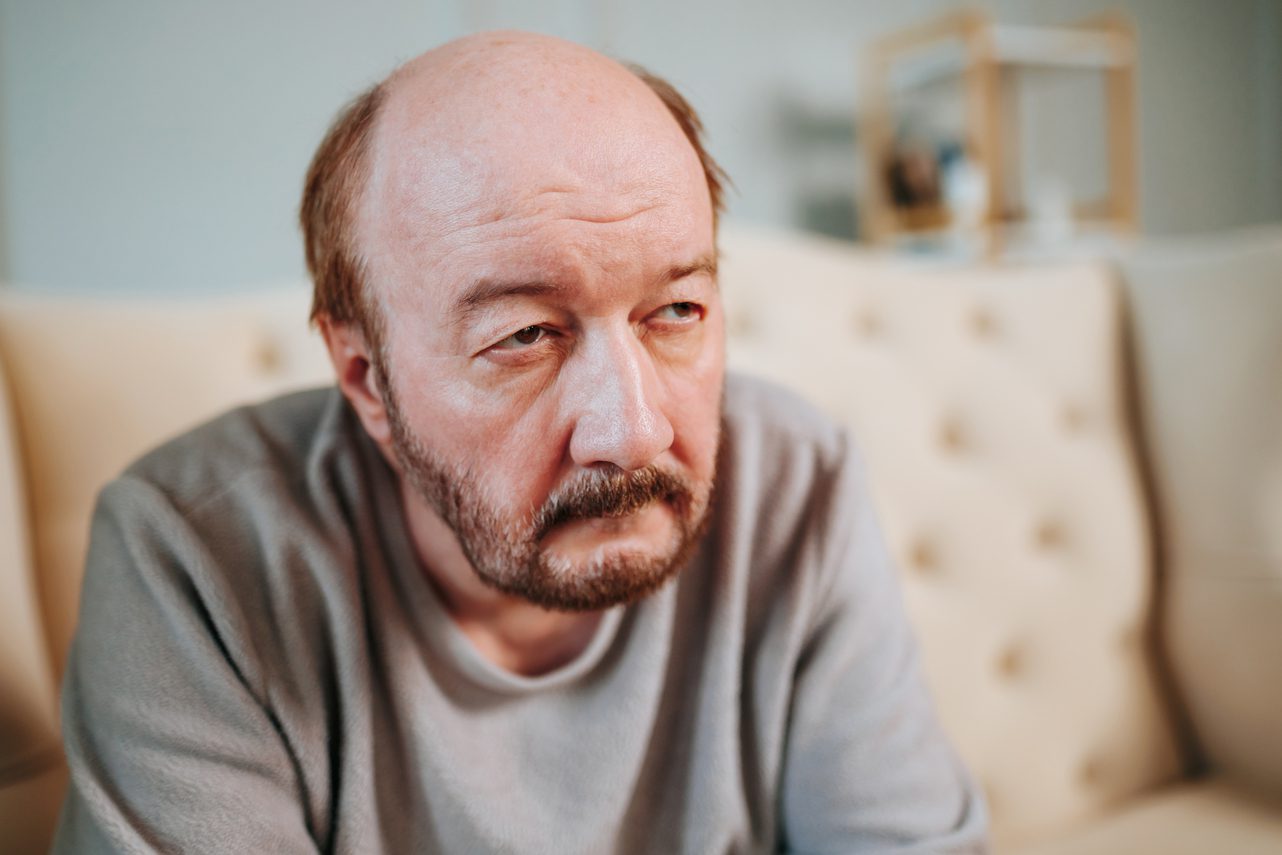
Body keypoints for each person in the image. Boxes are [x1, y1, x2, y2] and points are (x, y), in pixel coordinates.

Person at [53, 31, 988, 854]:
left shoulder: (798, 487)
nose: (634, 431)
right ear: (367, 380)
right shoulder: (190, 558)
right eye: (524, 336)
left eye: (676, 311)